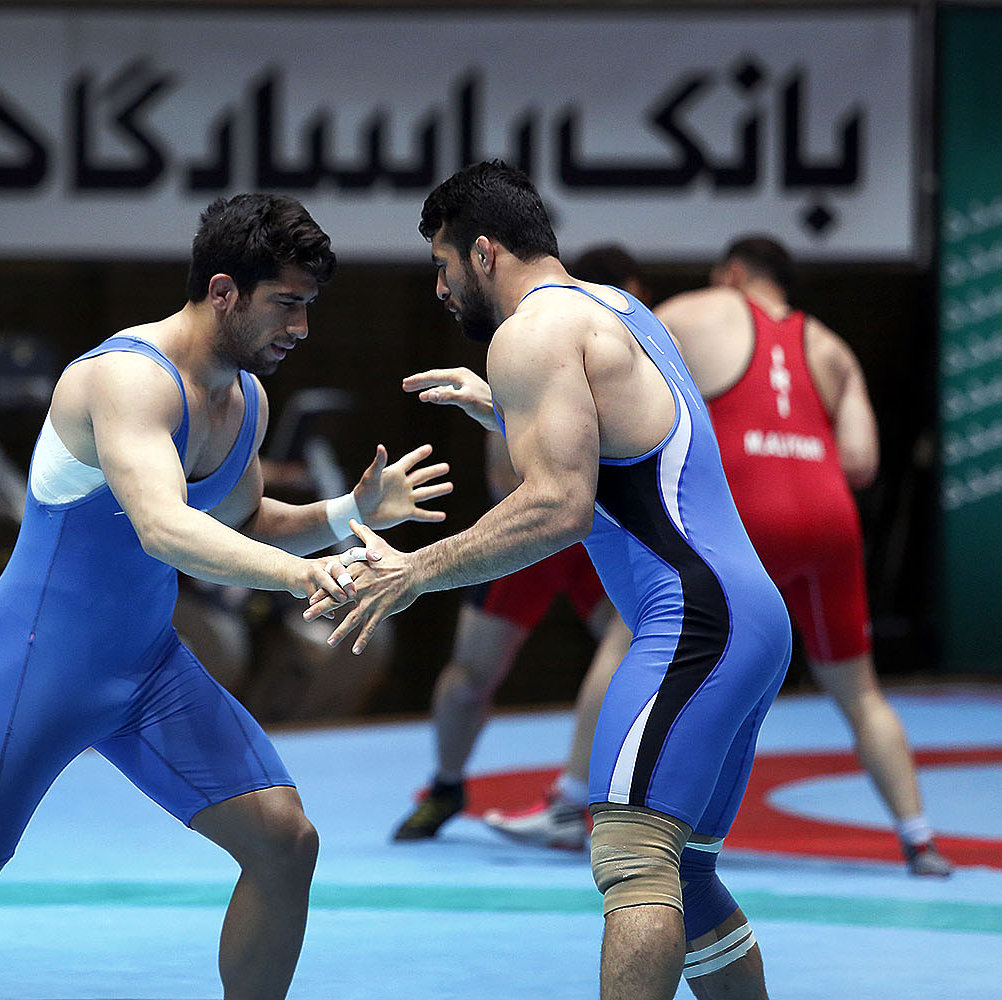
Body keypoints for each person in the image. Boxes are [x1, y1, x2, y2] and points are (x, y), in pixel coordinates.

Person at [0, 193, 452, 1000]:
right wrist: (300, 575)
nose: (302, 327)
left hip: (147, 668)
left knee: (285, 843)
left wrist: (348, 513)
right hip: (40, 664)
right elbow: (165, 529)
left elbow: (244, 524)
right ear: (224, 292)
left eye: (308, 306)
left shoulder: (244, 399)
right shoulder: (127, 380)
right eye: (287, 304)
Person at [308, 161, 792, 1000]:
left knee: (632, 858)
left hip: (695, 622)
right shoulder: (621, 310)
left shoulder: (529, 335)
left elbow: (557, 507)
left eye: (443, 264)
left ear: (484, 253)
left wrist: (415, 568)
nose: (439, 287)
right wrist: (502, 407)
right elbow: (625, 447)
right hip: (749, 621)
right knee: (687, 875)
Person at [654, 236, 952, 876]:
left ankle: (629, 818)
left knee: (675, 662)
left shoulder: (697, 311)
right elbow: (861, 463)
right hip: (828, 516)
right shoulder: (833, 348)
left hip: (745, 513)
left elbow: (634, 392)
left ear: (732, 272)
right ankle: (919, 837)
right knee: (860, 692)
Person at [391, 246, 645, 847]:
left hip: (597, 532)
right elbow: (512, 482)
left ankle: (583, 797)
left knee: (637, 649)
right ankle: (447, 784)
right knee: (469, 679)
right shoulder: (537, 338)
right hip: (532, 531)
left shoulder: (623, 353)